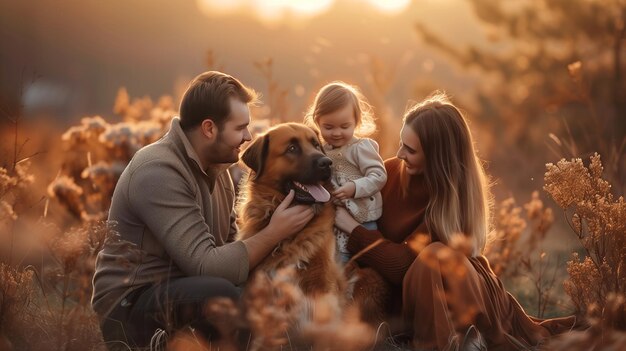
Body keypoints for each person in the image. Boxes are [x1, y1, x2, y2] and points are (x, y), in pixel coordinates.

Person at [334, 92, 575, 350]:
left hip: (454, 288)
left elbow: (402, 266)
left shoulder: (452, 198)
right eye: (402, 143)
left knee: (433, 256)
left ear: (437, 158)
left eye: (411, 150)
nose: (400, 153)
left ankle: (446, 343)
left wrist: (353, 229)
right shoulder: (389, 172)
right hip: (408, 296)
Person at [92, 71, 315, 349]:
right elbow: (206, 266)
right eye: (240, 127)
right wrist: (274, 232)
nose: (247, 136)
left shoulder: (219, 172)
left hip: (186, 291)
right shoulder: (157, 171)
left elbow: (233, 253)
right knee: (224, 297)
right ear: (209, 129)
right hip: (131, 304)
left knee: (264, 295)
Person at [304, 82, 387, 263]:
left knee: (368, 259)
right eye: (328, 127)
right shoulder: (320, 152)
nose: (336, 133)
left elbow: (379, 175)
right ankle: (340, 289)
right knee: (337, 260)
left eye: (344, 126)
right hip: (335, 221)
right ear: (317, 122)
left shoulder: (361, 148)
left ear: (357, 121)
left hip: (364, 218)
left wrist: (354, 187)